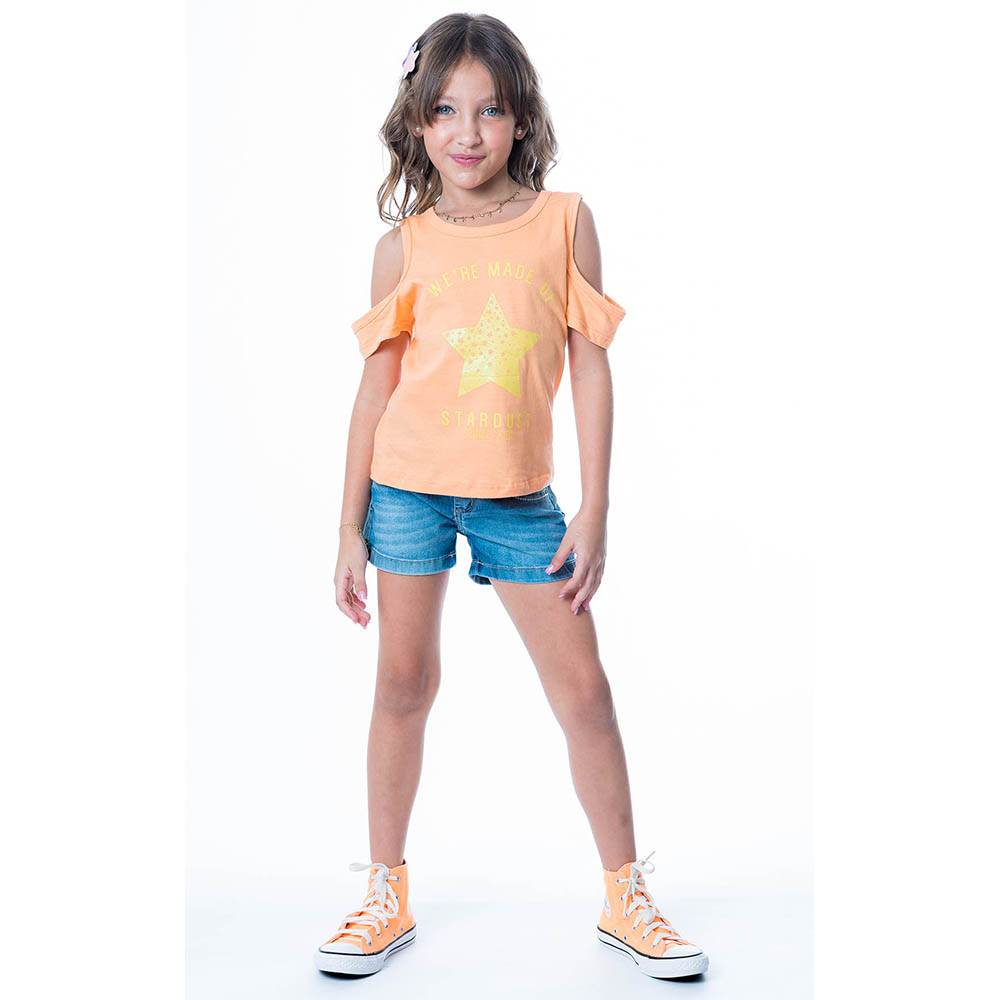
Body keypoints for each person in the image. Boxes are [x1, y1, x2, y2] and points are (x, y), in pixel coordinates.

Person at [314, 13, 709, 982]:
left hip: (517, 499)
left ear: (521, 120)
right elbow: (373, 390)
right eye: (445, 111)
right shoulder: (403, 245)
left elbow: (591, 366)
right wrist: (348, 524)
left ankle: (625, 895)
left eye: (490, 111)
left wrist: (595, 507)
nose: (467, 132)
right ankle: (385, 892)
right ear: (416, 121)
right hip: (407, 491)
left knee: (585, 693)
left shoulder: (563, 222)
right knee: (403, 686)